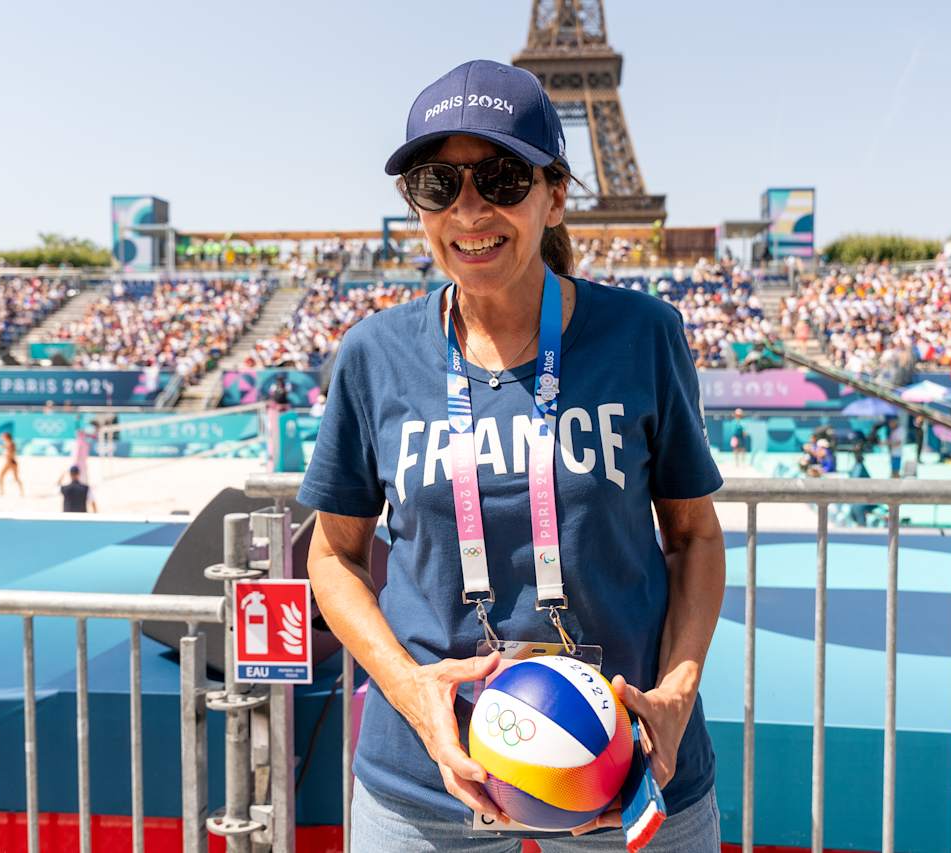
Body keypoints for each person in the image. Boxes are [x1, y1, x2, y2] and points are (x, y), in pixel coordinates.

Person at [300, 60, 725, 851]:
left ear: (555, 193)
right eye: (437, 183)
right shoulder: (374, 353)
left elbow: (696, 535)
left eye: (500, 178)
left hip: (628, 763)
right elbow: (333, 553)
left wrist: (675, 691)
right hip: (430, 772)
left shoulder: (644, 335)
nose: (469, 209)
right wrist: (409, 688)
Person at [0, 432, 24, 497]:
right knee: (15, 478)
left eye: (3, 436)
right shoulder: (9, 443)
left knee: (1, 476)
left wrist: (8, 455)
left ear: (6, 436)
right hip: (12, 462)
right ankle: (21, 491)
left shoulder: (10, 443)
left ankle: (2, 491)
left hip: (10, 462)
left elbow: (11, 453)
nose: (2, 438)